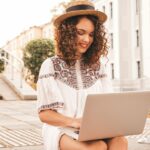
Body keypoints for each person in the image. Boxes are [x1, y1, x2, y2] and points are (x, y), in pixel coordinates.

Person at [37, 0, 128, 149]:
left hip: (94, 128)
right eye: (81, 33)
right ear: (68, 33)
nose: (87, 40)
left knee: (120, 141)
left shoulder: (97, 66)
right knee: (97, 147)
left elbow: (108, 103)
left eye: (91, 34)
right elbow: (45, 115)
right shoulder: (51, 65)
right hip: (62, 128)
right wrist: (76, 122)